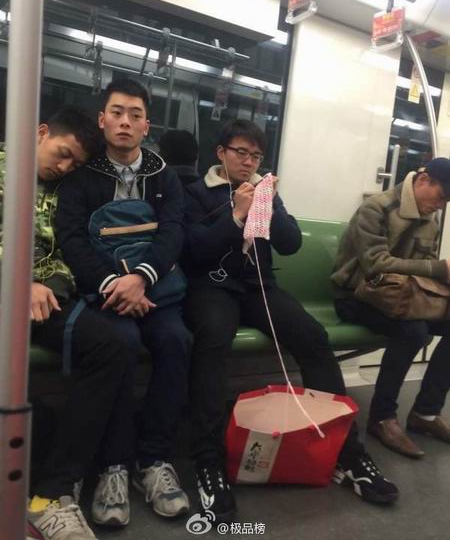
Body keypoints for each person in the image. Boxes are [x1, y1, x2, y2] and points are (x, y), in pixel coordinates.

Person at [182, 119, 399, 523]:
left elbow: (290, 243)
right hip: (212, 287)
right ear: (221, 153)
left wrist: (269, 205)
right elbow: (193, 251)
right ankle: (208, 460)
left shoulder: (265, 191)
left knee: (312, 336)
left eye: (256, 156)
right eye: (241, 152)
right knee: (212, 338)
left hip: (258, 288)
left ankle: (346, 451)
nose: (248, 162)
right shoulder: (195, 192)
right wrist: (236, 215)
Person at [56, 79, 192, 521]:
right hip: (105, 292)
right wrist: (115, 284)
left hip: (153, 291)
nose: (125, 122)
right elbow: (73, 239)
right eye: (116, 113)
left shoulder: (163, 174)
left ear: (146, 126)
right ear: (102, 120)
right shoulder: (82, 175)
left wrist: (141, 279)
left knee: (175, 341)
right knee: (122, 343)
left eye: (135, 115)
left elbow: (172, 231)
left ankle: (153, 459)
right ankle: (113, 464)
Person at [1, 108, 136, 539]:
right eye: (62, 154)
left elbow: (67, 251)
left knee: (112, 344)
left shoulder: (65, 191)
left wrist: (48, 285)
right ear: (41, 132)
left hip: (44, 300)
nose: (64, 167)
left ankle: (52, 494)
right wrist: (19, 282)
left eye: (74, 164)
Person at [332, 158, 450, 458]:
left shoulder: (431, 219)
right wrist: (439, 268)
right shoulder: (376, 208)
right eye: (440, 197)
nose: (439, 206)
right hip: (356, 295)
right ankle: (382, 417)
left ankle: (425, 412)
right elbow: (375, 264)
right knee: (414, 331)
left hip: (400, 296)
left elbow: (423, 270)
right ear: (422, 180)